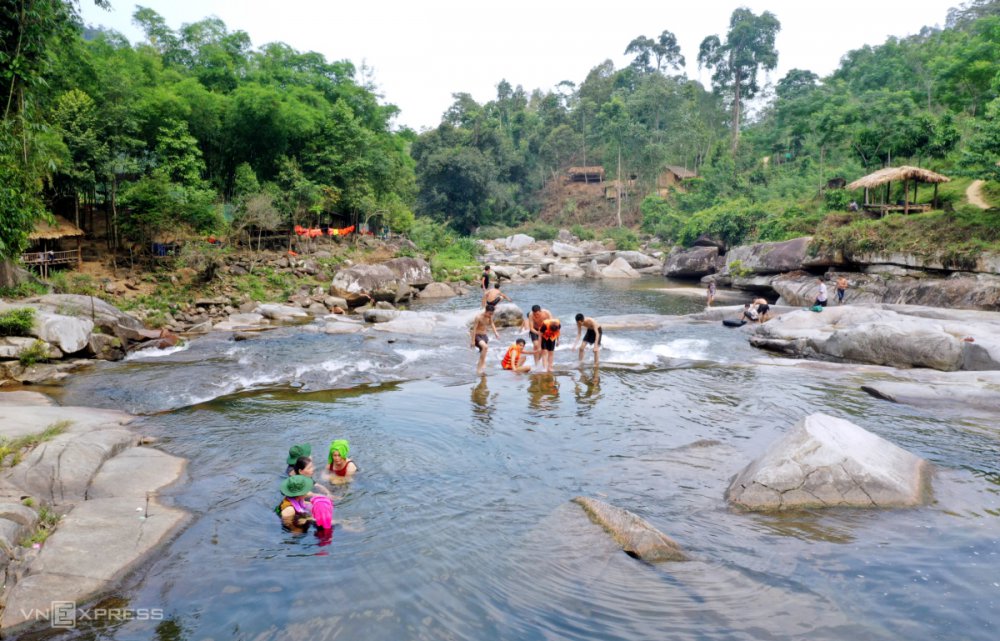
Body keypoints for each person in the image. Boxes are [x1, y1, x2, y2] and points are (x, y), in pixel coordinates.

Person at [470, 306, 501, 374]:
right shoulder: (478, 317)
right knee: (485, 347)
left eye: (492, 314)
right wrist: (472, 340)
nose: (491, 315)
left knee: (483, 351)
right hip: (477, 336)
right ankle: (479, 368)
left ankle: (482, 364)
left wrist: (496, 332)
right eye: (490, 313)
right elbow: (474, 329)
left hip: (484, 336)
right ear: (486, 311)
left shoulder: (489, 316)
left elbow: (492, 323)